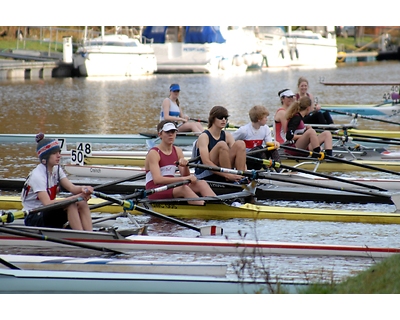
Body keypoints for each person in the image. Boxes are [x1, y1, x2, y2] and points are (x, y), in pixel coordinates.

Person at [21, 133, 93, 230]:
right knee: (71, 203)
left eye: (59, 152)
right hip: (34, 216)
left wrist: (84, 189)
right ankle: (80, 236)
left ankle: (90, 234)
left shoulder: (56, 169)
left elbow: (72, 188)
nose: (59, 155)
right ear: (45, 158)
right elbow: (47, 203)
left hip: (48, 212)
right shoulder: (37, 175)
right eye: (54, 153)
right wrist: (76, 197)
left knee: (82, 202)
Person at [145, 120, 216, 205]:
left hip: (170, 187)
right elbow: (157, 180)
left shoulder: (178, 151)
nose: (171, 134)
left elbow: (185, 176)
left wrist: (185, 166)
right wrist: (184, 179)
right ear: (160, 134)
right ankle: (203, 207)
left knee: (202, 183)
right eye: (167, 132)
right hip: (154, 190)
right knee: (183, 189)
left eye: (173, 132)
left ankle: (218, 205)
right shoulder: (154, 153)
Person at [193, 106, 246, 183]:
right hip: (205, 172)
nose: (224, 120)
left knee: (240, 144)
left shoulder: (227, 136)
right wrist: (227, 175)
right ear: (213, 118)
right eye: (220, 117)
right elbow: (206, 162)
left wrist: (246, 171)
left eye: (226, 117)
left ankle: (241, 177)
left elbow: (239, 154)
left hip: (222, 170)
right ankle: (229, 178)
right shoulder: (204, 136)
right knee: (222, 145)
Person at [232, 105, 280, 170]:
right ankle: (267, 169)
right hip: (247, 160)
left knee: (272, 148)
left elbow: (269, 144)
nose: (267, 119)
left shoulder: (266, 128)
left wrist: (275, 143)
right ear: (259, 119)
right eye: (265, 117)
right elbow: (230, 140)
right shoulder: (244, 130)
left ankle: (279, 169)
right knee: (259, 148)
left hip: (259, 159)